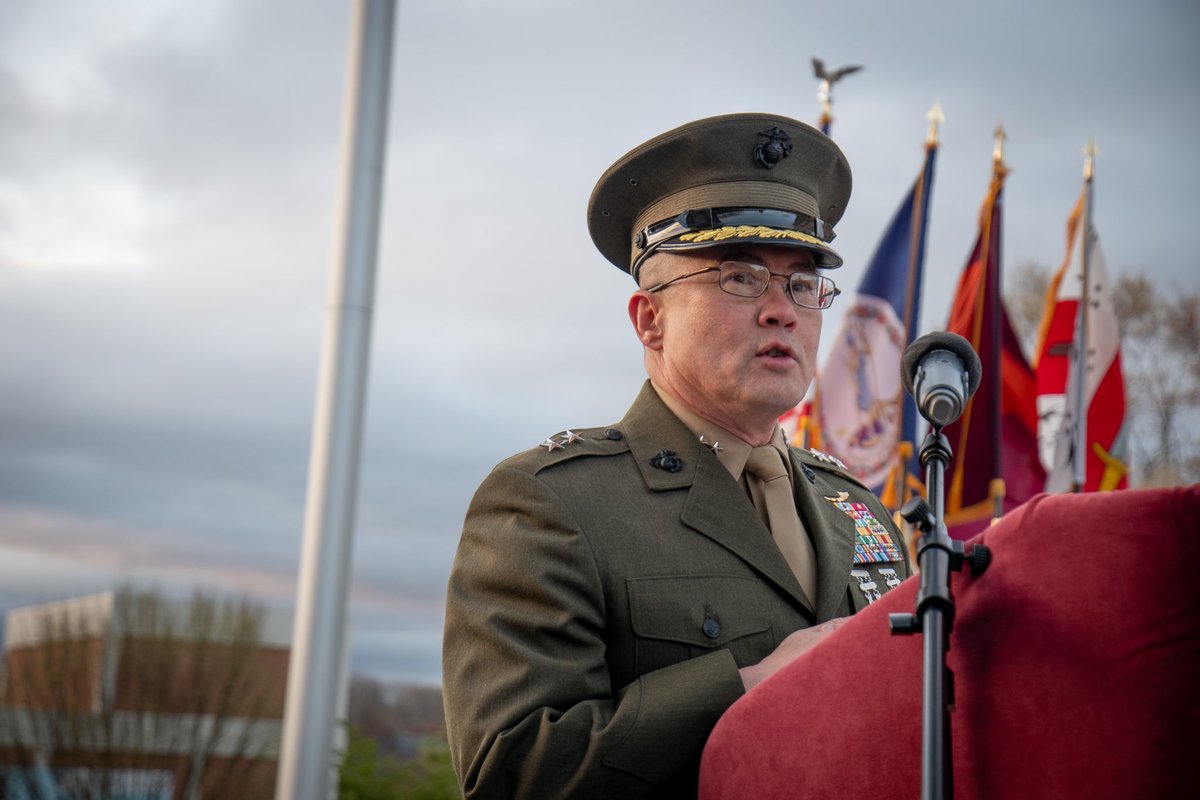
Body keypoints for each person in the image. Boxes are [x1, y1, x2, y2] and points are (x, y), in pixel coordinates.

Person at [442, 113, 911, 799]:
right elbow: (514, 773)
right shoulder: (553, 503)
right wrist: (750, 687)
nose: (783, 310)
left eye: (803, 285)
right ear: (649, 319)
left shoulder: (859, 509)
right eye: (741, 278)